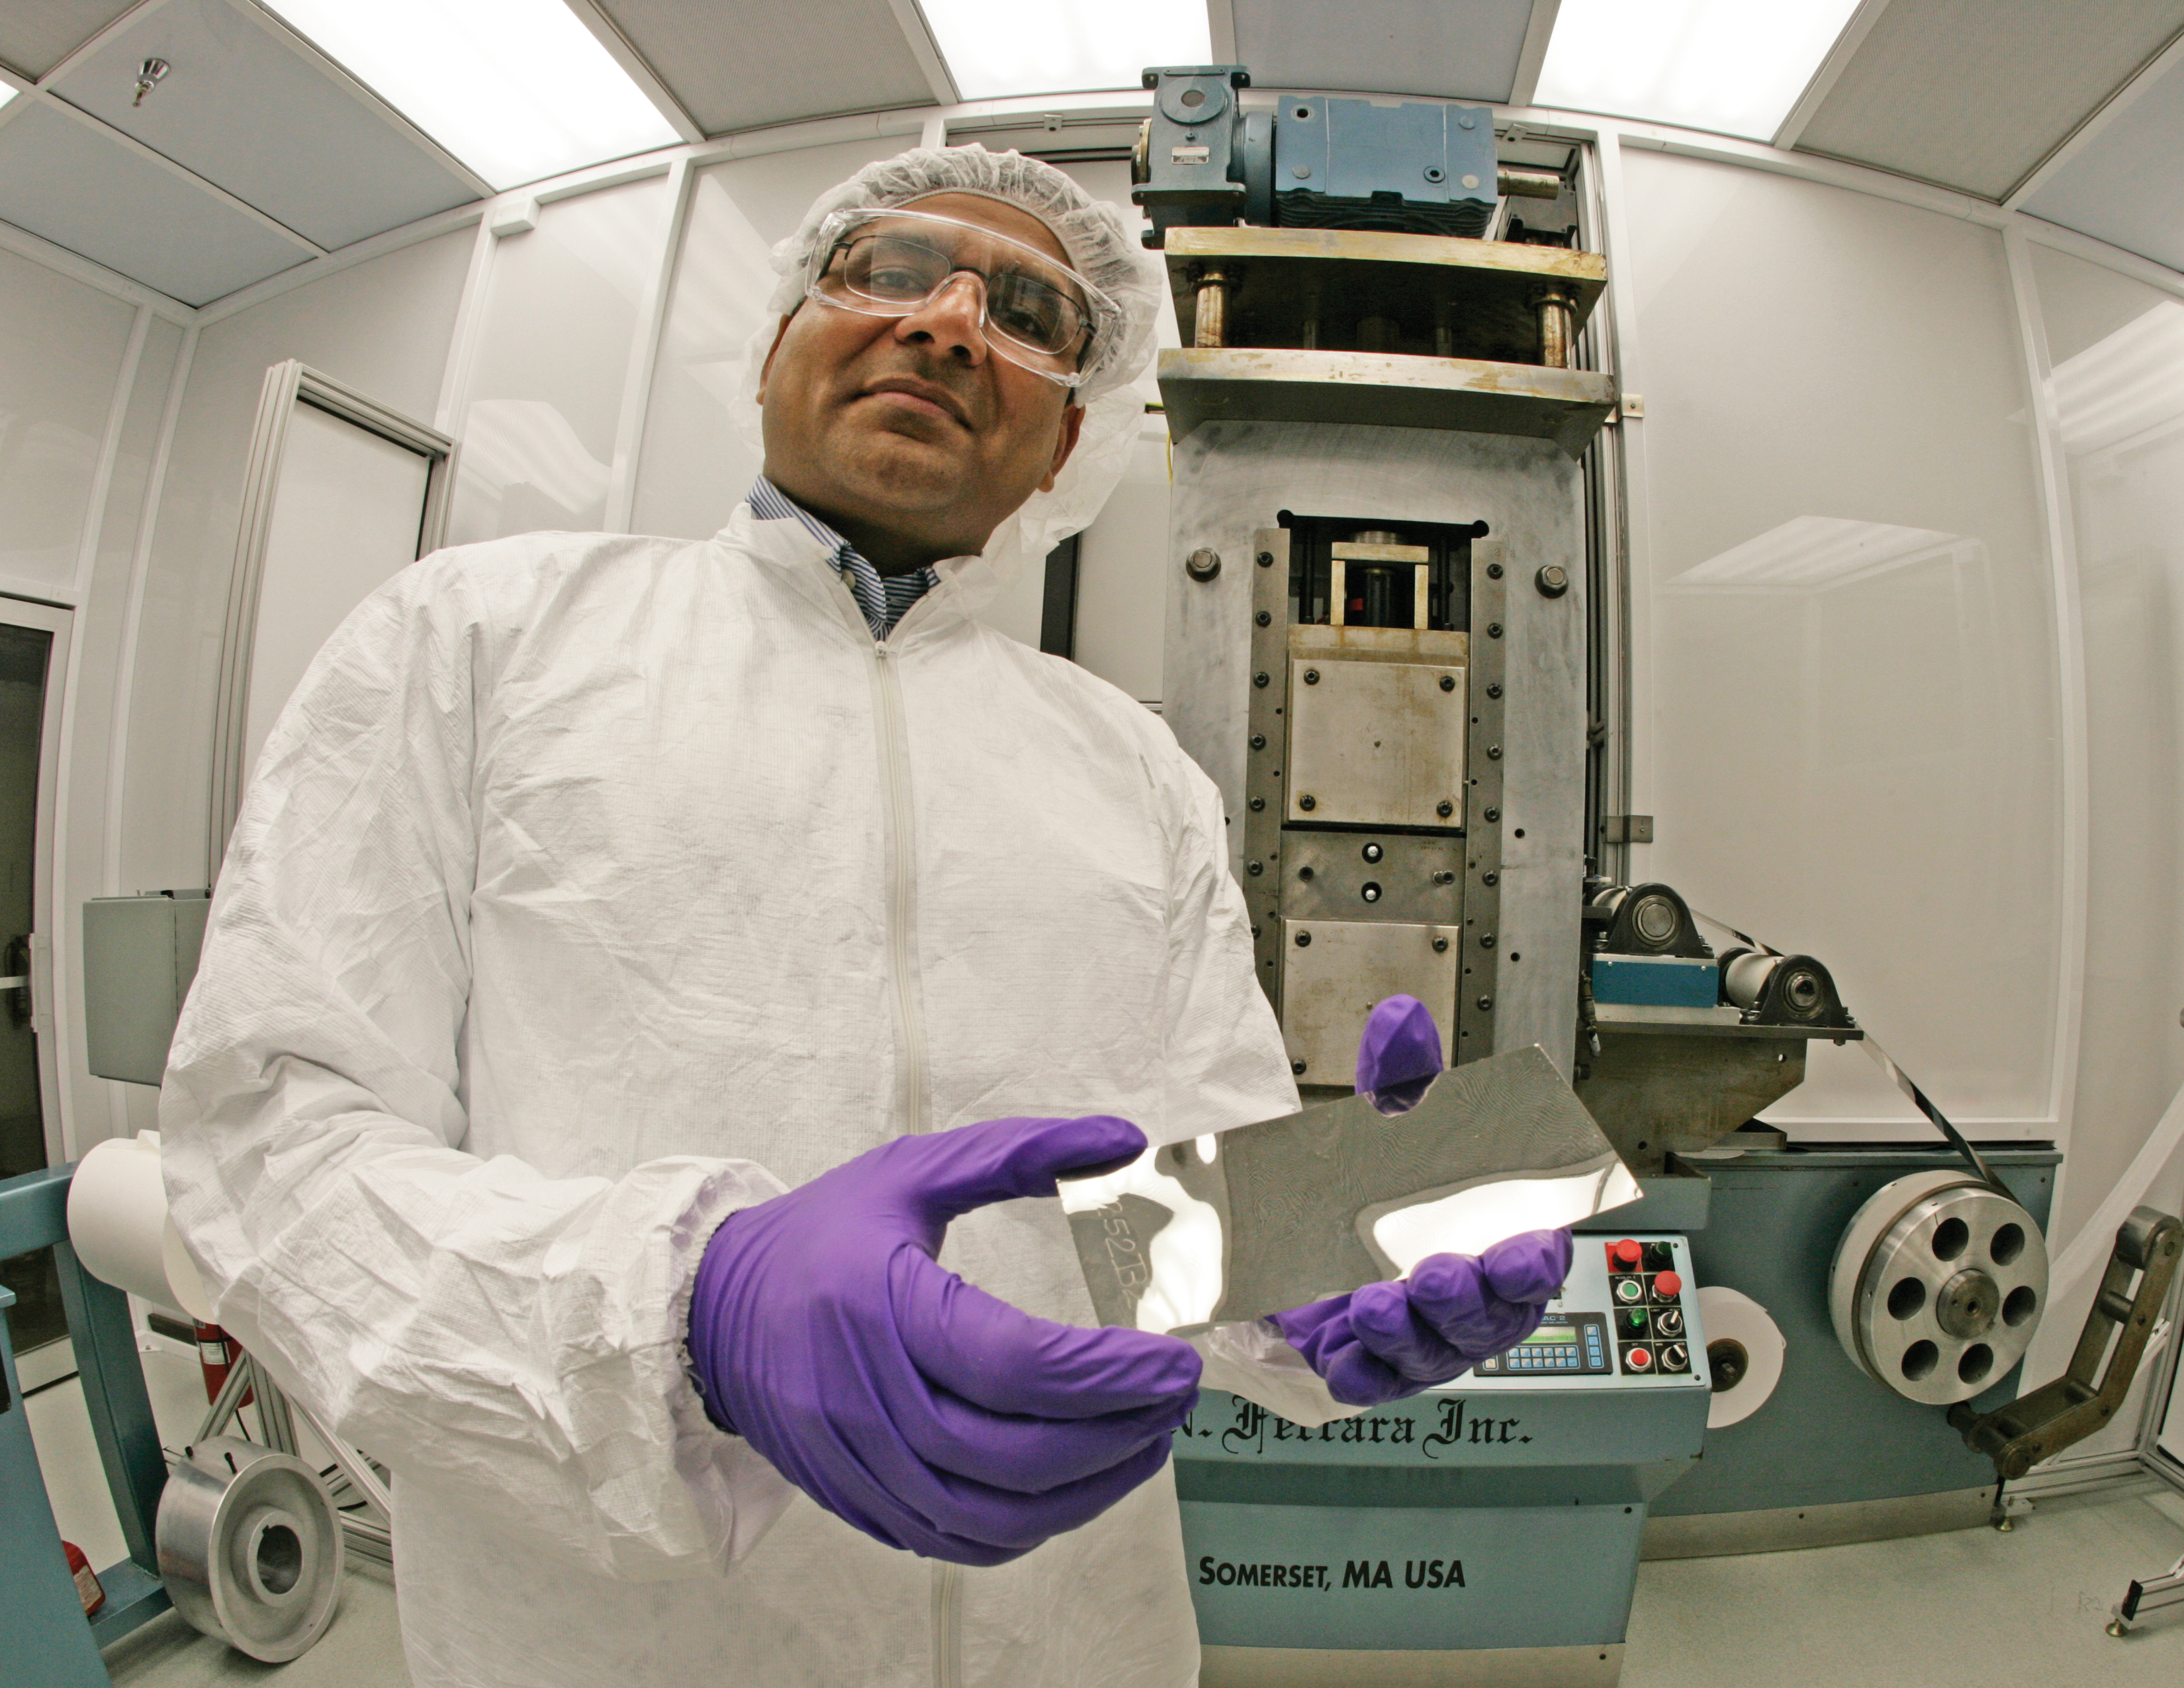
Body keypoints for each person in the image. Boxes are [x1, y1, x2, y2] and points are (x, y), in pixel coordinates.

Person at [161, 148, 1567, 1688]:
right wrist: (690, 1313)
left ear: (1065, 443)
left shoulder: (1129, 770)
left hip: (1072, 1632)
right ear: (780, 338)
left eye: (1027, 310)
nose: (951, 325)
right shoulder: (481, 644)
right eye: (894, 272)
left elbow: (1174, 1216)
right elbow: (272, 1148)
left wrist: (1317, 1281)